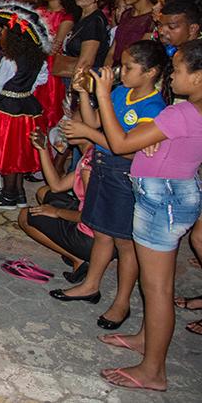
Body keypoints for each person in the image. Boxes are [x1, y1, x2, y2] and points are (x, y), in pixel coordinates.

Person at [82, 42, 202, 393]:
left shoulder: (181, 113)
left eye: (178, 70)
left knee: (158, 290)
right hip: (173, 194)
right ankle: (146, 340)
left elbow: (119, 144)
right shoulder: (187, 112)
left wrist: (103, 93)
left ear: (198, 77)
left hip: (161, 200)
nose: (172, 75)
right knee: (156, 288)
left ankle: (153, 371)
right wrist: (156, 142)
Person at [57, 41, 169, 331]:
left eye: (129, 67)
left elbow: (128, 149)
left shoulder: (154, 107)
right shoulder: (121, 92)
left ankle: (122, 301)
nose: (121, 71)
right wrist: (84, 95)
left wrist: (87, 133)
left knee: (126, 243)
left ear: (151, 73)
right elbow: (96, 123)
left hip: (126, 175)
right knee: (103, 233)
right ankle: (90, 285)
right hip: (104, 169)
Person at [0, 2, 52, 209]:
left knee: (8, 152)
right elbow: (42, 79)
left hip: (8, 110)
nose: (0, 34)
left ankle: (9, 195)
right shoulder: (37, 59)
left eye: (3, 31)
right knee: (19, 151)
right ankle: (18, 192)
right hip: (28, 107)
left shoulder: (10, 60)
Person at [19, 137, 95, 284]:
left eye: (72, 119)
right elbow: (56, 186)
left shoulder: (89, 166)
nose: (65, 124)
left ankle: (78, 260)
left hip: (93, 239)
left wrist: (56, 212)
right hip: (92, 224)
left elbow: (90, 217)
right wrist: (42, 149)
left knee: (25, 216)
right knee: (44, 192)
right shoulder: (92, 153)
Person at [34, 0, 77, 130]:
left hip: (50, 68)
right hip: (33, 62)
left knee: (46, 107)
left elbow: (54, 47)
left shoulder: (65, 18)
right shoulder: (38, 12)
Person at [106, 0, 158, 68]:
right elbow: (112, 50)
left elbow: (140, 58)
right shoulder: (127, 14)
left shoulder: (152, 19)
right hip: (114, 70)